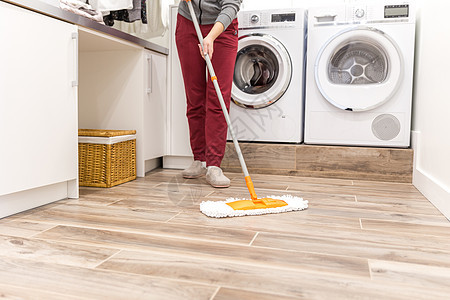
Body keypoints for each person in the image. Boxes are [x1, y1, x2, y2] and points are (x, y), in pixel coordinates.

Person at [175, 0, 242, 188]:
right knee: (194, 97)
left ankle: (213, 165)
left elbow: (231, 6)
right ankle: (200, 159)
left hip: (222, 28)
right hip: (188, 23)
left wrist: (211, 36)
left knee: (217, 99)